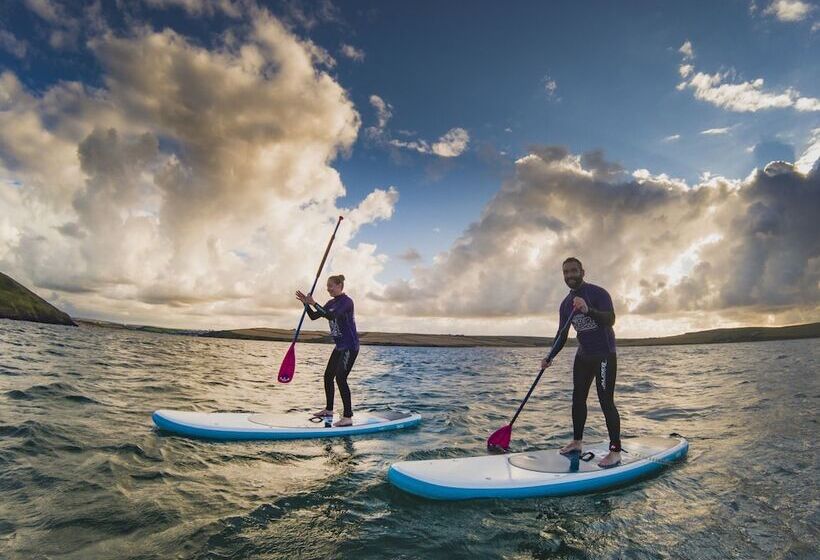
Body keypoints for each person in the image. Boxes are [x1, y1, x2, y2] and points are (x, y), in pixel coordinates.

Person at [541, 257, 622, 468]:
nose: (570, 276)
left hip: (604, 354)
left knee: (606, 402)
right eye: (566, 272)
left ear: (582, 272)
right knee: (578, 399)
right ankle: (577, 442)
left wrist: (588, 310)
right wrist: (549, 356)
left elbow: (610, 319)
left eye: (574, 271)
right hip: (583, 355)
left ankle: (615, 452)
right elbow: (562, 333)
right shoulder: (565, 304)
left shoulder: (598, 293)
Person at [295, 274, 360, 427]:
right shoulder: (331, 302)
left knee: (340, 378)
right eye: (327, 285)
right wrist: (306, 304)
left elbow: (331, 315)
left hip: (350, 346)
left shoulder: (347, 302)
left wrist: (314, 302)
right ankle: (329, 410)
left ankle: (347, 417)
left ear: (339, 285)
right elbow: (314, 316)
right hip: (339, 347)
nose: (328, 288)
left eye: (330, 285)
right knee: (327, 376)